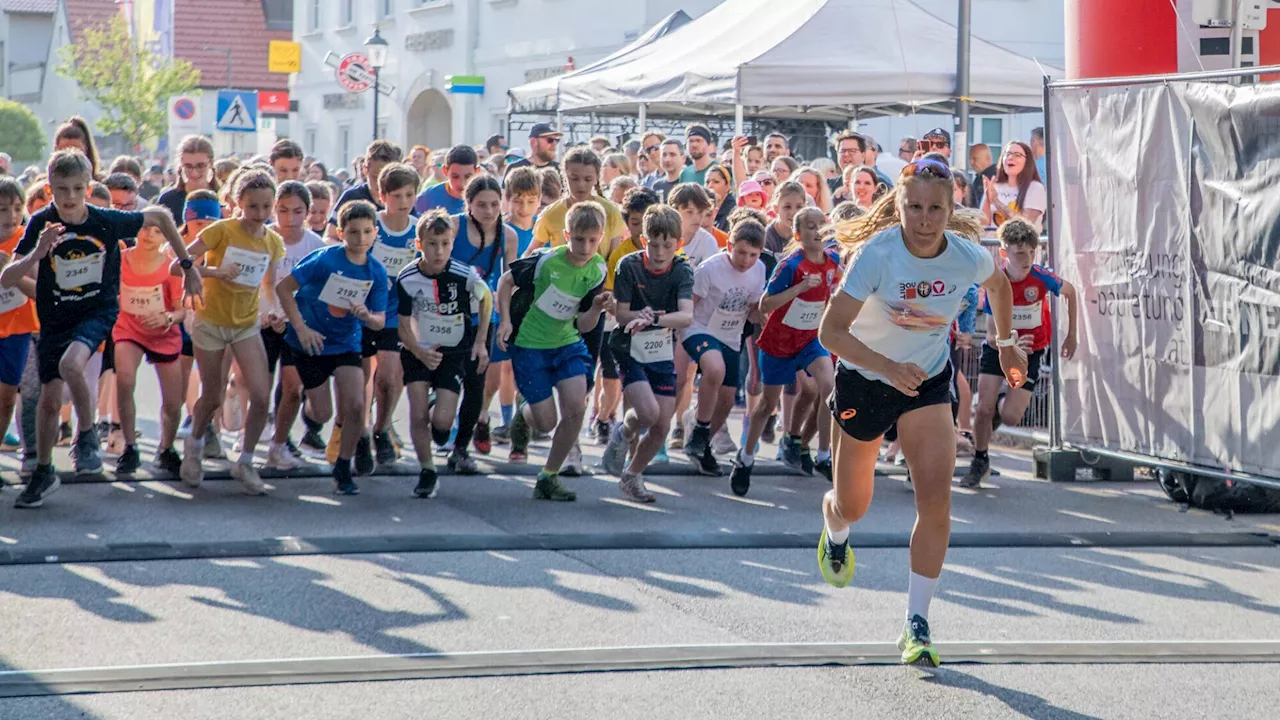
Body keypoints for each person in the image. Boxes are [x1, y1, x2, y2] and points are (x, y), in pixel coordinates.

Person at [816, 157, 1027, 667]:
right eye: (914, 207)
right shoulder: (877, 254)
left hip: (927, 382)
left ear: (951, 209)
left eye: (936, 208)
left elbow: (999, 285)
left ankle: (917, 621)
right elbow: (830, 333)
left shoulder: (965, 255)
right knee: (854, 505)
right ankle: (835, 528)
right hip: (866, 380)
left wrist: (1005, 344)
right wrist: (887, 366)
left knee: (936, 506)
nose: (925, 218)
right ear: (900, 205)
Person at [0, 150, 202, 507]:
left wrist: (188, 266)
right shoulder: (42, 223)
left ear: (89, 187)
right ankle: (44, 471)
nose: (70, 197)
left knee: (70, 365)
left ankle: (88, 433)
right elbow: (8, 277)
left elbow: (159, 215)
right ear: (50, 189)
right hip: (55, 315)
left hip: (97, 310)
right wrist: (37, 253)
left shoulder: (105, 220)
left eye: (78, 188)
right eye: (62, 189)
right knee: (48, 400)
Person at [176, 169, 282, 495]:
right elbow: (179, 263)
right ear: (238, 203)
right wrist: (214, 272)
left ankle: (245, 460)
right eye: (253, 207)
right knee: (212, 395)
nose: (260, 215)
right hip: (211, 322)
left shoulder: (273, 242)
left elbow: (270, 286)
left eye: (266, 207)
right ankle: (193, 447)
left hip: (246, 323)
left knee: (262, 396)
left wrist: (275, 311)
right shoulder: (221, 230)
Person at [496, 201, 610, 500]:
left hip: (567, 343)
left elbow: (584, 325)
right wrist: (505, 321)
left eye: (592, 240)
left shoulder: (598, 269)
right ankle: (524, 414)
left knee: (576, 407)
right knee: (546, 422)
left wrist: (597, 308)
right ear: (565, 234)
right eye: (578, 239)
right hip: (530, 347)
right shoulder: (544, 261)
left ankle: (549, 475)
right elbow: (505, 282)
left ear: (601, 236)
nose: (585, 247)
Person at [276, 200, 388, 495]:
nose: (360, 239)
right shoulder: (324, 259)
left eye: (366, 232)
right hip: (309, 341)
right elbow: (284, 288)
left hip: (345, 343)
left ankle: (343, 465)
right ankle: (310, 416)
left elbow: (379, 321)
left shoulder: (376, 272)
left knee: (355, 405)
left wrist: (366, 316)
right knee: (323, 413)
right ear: (341, 232)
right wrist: (300, 327)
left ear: (375, 233)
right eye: (353, 232)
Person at [729, 207, 839, 493]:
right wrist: (800, 288)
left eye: (821, 226)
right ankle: (745, 458)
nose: (817, 231)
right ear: (799, 235)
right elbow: (765, 305)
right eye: (810, 227)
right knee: (768, 404)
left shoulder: (833, 262)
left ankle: (824, 455)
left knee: (829, 387)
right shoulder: (791, 266)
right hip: (779, 340)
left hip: (810, 339)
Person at [964, 218, 1077, 487]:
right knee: (982, 410)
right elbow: (991, 335)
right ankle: (980, 459)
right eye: (1019, 254)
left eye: (1031, 252)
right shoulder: (997, 280)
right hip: (999, 349)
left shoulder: (1040, 276)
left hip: (1032, 351)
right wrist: (1009, 344)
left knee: (1011, 416)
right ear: (1004, 253)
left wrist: (1071, 336)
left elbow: (1071, 292)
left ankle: (1001, 398)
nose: (1026, 260)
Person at [598, 204, 693, 501]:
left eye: (668, 245)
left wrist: (654, 319)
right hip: (629, 345)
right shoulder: (629, 265)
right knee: (648, 414)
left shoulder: (682, 270)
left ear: (678, 244)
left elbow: (686, 316)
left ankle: (632, 475)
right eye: (654, 244)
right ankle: (624, 431)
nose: (660, 252)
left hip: (660, 345)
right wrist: (639, 316)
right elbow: (622, 314)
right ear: (643, 240)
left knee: (662, 426)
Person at [397, 211, 490, 498]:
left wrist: (481, 342)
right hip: (418, 350)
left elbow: (487, 300)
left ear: (452, 243)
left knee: (442, 424)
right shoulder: (408, 277)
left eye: (445, 244)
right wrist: (418, 352)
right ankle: (427, 471)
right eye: (432, 243)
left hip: (453, 352)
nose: (439, 251)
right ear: (419, 243)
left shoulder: (464, 275)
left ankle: (441, 413)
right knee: (417, 413)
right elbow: (401, 325)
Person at [674, 216, 766, 474]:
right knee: (714, 369)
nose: (746, 260)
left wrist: (764, 314)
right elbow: (688, 304)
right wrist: (678, 334)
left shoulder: (758, 271)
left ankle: (701, 446)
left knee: (726, 400)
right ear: (729, 247)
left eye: (753, 254)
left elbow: (753, 311)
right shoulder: (710, 269)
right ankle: (701, 430)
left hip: (730, 335)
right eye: (740, 252)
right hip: (699, 328)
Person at [351, 163, 421, 470]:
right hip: (363, 312)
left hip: (395, 313)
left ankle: (382, 428)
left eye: (409, 194)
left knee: (392, 377)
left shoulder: (418, 229)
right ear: (382, 196)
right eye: (396, 195)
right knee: (364, 377)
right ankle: (362, 433)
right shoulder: (371, 226)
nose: (403, 201)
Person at [448, 175, 517, 472]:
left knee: (477, 379)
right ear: (468, 205)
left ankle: (462, 447)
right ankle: (442, 422)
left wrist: (506, 320)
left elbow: (507, 282)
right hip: (448, 312)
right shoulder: (453, 226)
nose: (488, 211)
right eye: (481, 205)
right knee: (448, 376)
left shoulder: (508, 235)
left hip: (484, 315)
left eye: (493, 204)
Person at [113, 217, 188, 475]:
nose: (149, 235)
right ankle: (130, 447)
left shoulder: (171, 267)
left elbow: (182, 312)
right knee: (124, 380)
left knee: (173, 402)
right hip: (128, 329)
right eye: (147, 228)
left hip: (163, 334)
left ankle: (166, 448)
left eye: (158, 231)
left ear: (167, 237)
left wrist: (166, 318)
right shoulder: (120, 259)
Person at [261, 181, 326, 470]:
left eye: (297, 211)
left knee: (292, 386)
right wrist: (269, 313)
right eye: (283, 210)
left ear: (308, 212)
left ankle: (281, 440)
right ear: (275, 209)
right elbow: (257, 283)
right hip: (264, 322)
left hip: (298, 324)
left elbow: (319, 289)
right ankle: (252, 437)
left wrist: (295, 320)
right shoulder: (264, 238)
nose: (290, 218)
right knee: (259, 386)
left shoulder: (316, 245)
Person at [591, 186, 661, 445]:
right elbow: (609, 291)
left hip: (650, 329)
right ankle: (602, 418)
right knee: (611, 379)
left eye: (647, 222)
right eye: (634, 223)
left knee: (640, 384)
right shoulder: (620, 254)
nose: (641, 230)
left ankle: (631, 432)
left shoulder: (666, 250)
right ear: (626, 222)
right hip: (617, 326)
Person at [486, 167, 542, 442]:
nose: (523, 207)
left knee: (528, 366)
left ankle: (525, 418)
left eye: (530, 201)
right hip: (504, 304)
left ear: (539, 200)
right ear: (507, 199)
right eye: (518, 200)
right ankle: (506, 420)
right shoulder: (501, 230)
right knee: (504, 367)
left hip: (533, 308)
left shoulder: (540, 229)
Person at [0, 178, 37, 477]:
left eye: (16, 208)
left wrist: (10, 271)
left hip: (17, 328)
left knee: (7, 396)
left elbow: (39, 289)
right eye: (2, 209)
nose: (11, 216)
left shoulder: (28, 241)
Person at [330, 140, 403, 240]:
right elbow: (330, 237)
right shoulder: (352, 197)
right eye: (375, 177)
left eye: (387, 178)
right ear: (365, 170)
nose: (380, 183)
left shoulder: (403, 200)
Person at [156, 135, 218, 227]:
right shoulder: (168, 199)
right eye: (188, 166)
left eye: (201, 166)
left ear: (211, 163)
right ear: (181, 165)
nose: (194, 173)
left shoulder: (223, 197)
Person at [982, 141, 1046, 227]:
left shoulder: (1035, 188)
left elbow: (1026, 223)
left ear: (1027, 162)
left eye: (1017, 155)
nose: (1011, 157)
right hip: (992, 240)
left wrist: (997, 202)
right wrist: (987, 199)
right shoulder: (995, 186)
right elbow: (982, 225)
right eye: (1007, 154)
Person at [415, 144, 477, 217]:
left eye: (467, 177)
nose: (461, 183)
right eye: (455, 176)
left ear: (477, 172)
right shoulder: (426, 198)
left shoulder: (486, 198)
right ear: (445, 171)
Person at [765, 180, 807, 255]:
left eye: (799, 207)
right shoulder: (767, 238)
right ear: (776, 209)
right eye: (787, 207)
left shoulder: (807, 234)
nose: (793, 212)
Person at [651, 139, 685, 203]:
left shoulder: (688, 183)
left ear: (683, 159)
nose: (667, 159)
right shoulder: (657, 186)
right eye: (664, 155)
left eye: (672, 154)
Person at [704, 165, 735, 232]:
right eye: (707, 182)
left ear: (728, 186)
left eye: (716, 182)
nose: (710, 186)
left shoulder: (733, 211)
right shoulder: (703, 210)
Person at [966, 143, 996, 209]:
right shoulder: (979, 178)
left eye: (975, 159)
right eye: (970, 159)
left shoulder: (995, 177)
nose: (971, 163)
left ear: (987, 158)